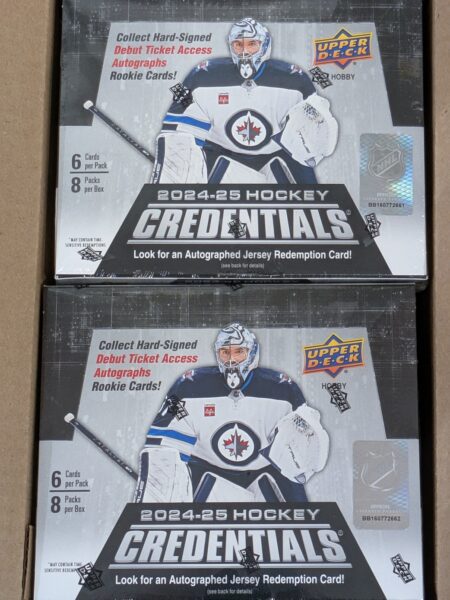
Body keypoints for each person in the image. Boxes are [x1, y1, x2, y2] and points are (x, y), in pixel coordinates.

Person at [134, 323, 329, 503]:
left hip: (265, 473)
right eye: (225, 352)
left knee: (297, 515)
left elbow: (306, 445)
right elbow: (163, 447)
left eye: (239, 352)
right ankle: (156, 520)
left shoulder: (283, 390)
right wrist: (158, 495)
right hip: (207, 472)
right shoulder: (189, 387)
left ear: (252, 353)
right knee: (159, 456)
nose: (231, 360)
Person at [151, 17, 338, 185]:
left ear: (264, 45)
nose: (245, 51)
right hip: (221, 154)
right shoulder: (203, 76)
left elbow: (316, 129)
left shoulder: (295, 80)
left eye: (252, 44)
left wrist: (309, 147)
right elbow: (178, 132)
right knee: (175, 141)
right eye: (238, 45)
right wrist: (175, 174)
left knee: (310, 199)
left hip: (276, 156)